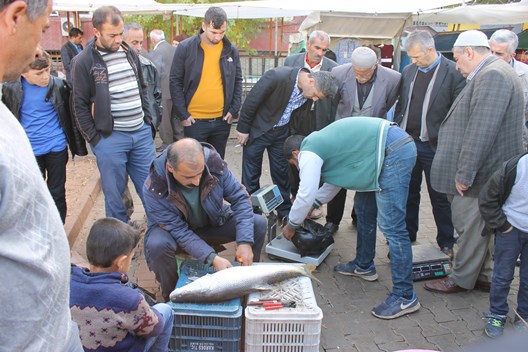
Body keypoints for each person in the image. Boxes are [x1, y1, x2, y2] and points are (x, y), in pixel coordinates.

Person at [0, 0, 83, 350]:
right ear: (16, 16)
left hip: (51, 333)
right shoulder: (12, 92)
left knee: (57, 192)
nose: (38, 48)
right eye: (42, 27)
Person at [282, 117, 418, 320]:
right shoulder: (323, 145)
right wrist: (314, 205)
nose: (298, 167)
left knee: (392, 227)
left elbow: (305, 193)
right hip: (378, 152)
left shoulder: (308, 151)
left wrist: (291, 225)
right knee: (363, 210)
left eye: (295, 164)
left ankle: (405, 295)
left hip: (393, 151)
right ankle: (364, 265)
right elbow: (334, 183)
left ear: (295, 154)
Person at [425, 30, 525, 294]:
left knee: (469, 228)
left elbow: (481, 131)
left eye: (458, 58)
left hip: (481, 175)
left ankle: (460, 278)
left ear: (469, 52)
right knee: (478, 229)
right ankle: (483, 275)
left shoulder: (492, 75)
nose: (456, 66)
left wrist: (465, 174)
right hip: (486, 171)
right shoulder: (493, 71)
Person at [142, 138, 267, 301]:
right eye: (188, 177)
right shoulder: (155, 187)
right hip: (174, 234)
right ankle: (174, 296)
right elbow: (180, 232)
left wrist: (244, 241)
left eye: (200, 174)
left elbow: (240, 199)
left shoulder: (214, 165)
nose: (195, 181)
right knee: (157, 245)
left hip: (211, 223)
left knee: (257, 224)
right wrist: (212, 258)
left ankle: (241, 283)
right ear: (170, 168)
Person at [71, 6, 156, 224]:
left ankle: (159, 237)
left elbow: (142, 87)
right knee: (116, 197)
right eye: (112, 35)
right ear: (96, 32)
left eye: (120, 33)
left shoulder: (129, 53)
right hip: (110, 139)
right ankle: (121, 245)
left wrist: (149, 122)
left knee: (153, 190)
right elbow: (79, 106)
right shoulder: (84, 62)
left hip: (141, 134)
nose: (118, 39)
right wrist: (96, 140)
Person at [395, 30, 466, 259]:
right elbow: (402, 105)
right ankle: (408, 235)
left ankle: (446, 241)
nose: (414, 61)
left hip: (435, 146)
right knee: (408, 193)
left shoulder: (453, 73)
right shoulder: (408, 71)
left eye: (417, 56)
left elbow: (459, 114)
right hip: (408, 142)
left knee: (440, 197)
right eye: (411, 57)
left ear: (431, 49)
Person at [236, 69, 337, 222]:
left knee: (281, 173)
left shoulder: (307, 92)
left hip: (281, 133)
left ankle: (284, 212)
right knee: (251, 174)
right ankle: (252, 214)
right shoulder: (277, 76)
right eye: (316, 95)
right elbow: (251, 101)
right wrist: (243, 129)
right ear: (311, 81)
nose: (315, 100)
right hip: (258, 130)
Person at [2, 51, 87, 223]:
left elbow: (70, 115)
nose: (45, 76)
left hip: (56, 147)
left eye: (48, 70)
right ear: (23, 72)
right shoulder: (10, 89)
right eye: (39, 73)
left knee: (57, 192)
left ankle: (58, 229)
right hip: (28, 151)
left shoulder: (59, 85)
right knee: (32, 193)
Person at [326, 46, 401, 235]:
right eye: (356, 73)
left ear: (375, 66)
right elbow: (334, 102)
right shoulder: (337, 73)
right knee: (338, 175)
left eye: (364, 73)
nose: (360, 77)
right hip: (343, 134)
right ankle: (332, 220)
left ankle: (358, 216)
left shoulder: (393, 78)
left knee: (365, 176)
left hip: (370, 136)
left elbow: (388, 103)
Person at [70, 217, 173, 351]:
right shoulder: (129, 298)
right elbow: (154, 328)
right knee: (166, 311)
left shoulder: (69, 281)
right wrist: (146, 309)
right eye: (131, 257)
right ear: (121, 262)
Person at [169, 6, 242, 159]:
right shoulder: (186, 48)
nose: (218, 37)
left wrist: (234, 109)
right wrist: (183, 115)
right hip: (194, 121)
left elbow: (237, 80)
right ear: (204, 26)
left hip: (222, 120)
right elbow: (175, 81)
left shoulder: (231, 50)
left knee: (217, 166)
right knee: (194, 165)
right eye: (213, 32)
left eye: (222, 32)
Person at [284, 30, 337, 220]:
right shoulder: (291, 62)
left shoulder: (333, 67)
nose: (320, 52)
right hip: (296, 119)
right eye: (317, 47)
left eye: (324, 49)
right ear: (308, 44)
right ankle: (295, 196)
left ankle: (314, 202)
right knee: (294, 160)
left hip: (320, 121)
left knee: (317, 161)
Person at [478, 152, 528, 338]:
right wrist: (503, 226)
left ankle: (523, 316)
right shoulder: (514, 168)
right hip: (512, 228)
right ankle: (497, 313)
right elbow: (486, 199)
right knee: (502, 276)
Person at [489, 29, 528, 150]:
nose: (492, 57)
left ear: (512, 55)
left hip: (514, 141)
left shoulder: (525, 74)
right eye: (491, 51)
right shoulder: (477, 70)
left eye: (499, 54)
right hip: (487, 139)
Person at [124, 22, 162, 135]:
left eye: (141, 43)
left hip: (145, 129)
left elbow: (157, 98)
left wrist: (152, 124)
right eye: (134, 43)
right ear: (121, 40)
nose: (139, 48)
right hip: (120, 131)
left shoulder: (149, 67)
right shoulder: (111, 66)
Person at [149, 29, 183, 152]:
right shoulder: (175, 49)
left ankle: (167, 143)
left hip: (163, 90)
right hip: (177, 90)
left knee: (165, 119)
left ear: (153, 40)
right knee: (176, 118)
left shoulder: (157, 52)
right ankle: (180, 141)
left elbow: (155, 73)